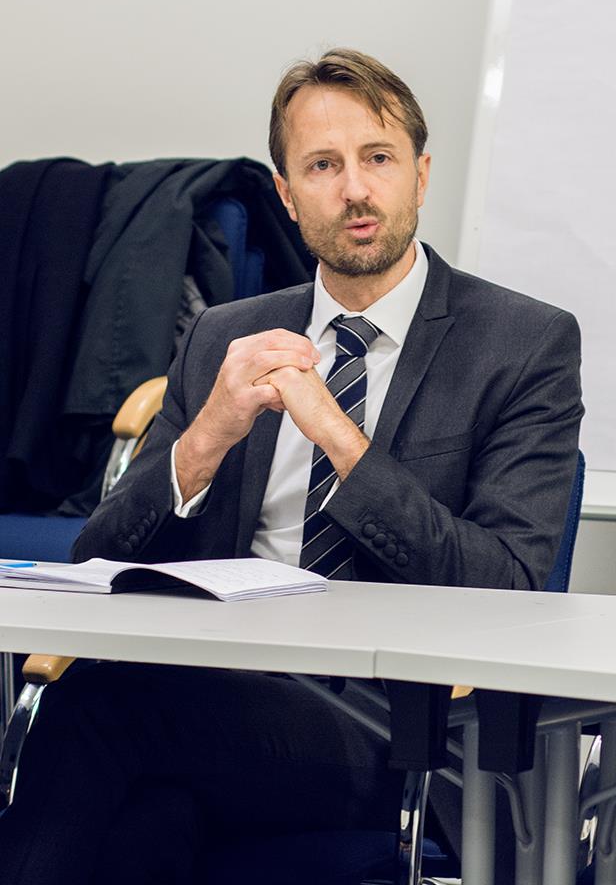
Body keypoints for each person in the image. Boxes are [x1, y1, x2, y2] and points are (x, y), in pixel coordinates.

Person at [0, 49, 583, 884]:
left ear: (420, 176)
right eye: (322, 166)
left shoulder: (523, 343)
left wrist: (339, 438)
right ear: (285, 193)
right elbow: (100, 555)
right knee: (146, 824)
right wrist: (207, 435)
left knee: (98, 711)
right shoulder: (227, 335)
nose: (355, 190)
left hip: (398, 728)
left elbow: (507, 586)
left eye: (378, 159)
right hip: (215, 703)